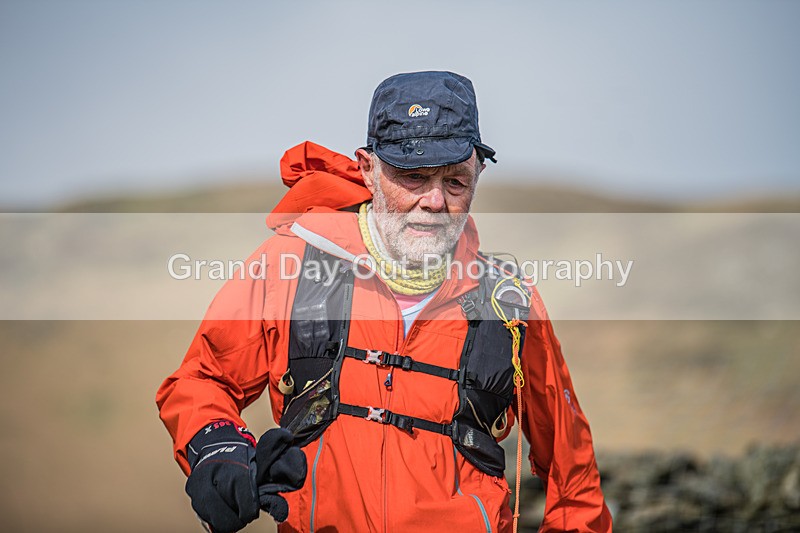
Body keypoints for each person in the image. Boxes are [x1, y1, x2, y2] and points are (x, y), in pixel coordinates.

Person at [156, 71, 612, 532]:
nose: (435, 201)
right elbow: (202, 381)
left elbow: (573, 478)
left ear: (480, 173)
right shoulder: (287, 267)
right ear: (367, 169)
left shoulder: (510, 305)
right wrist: (216, 449)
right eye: (412, 177)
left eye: (456, 181)